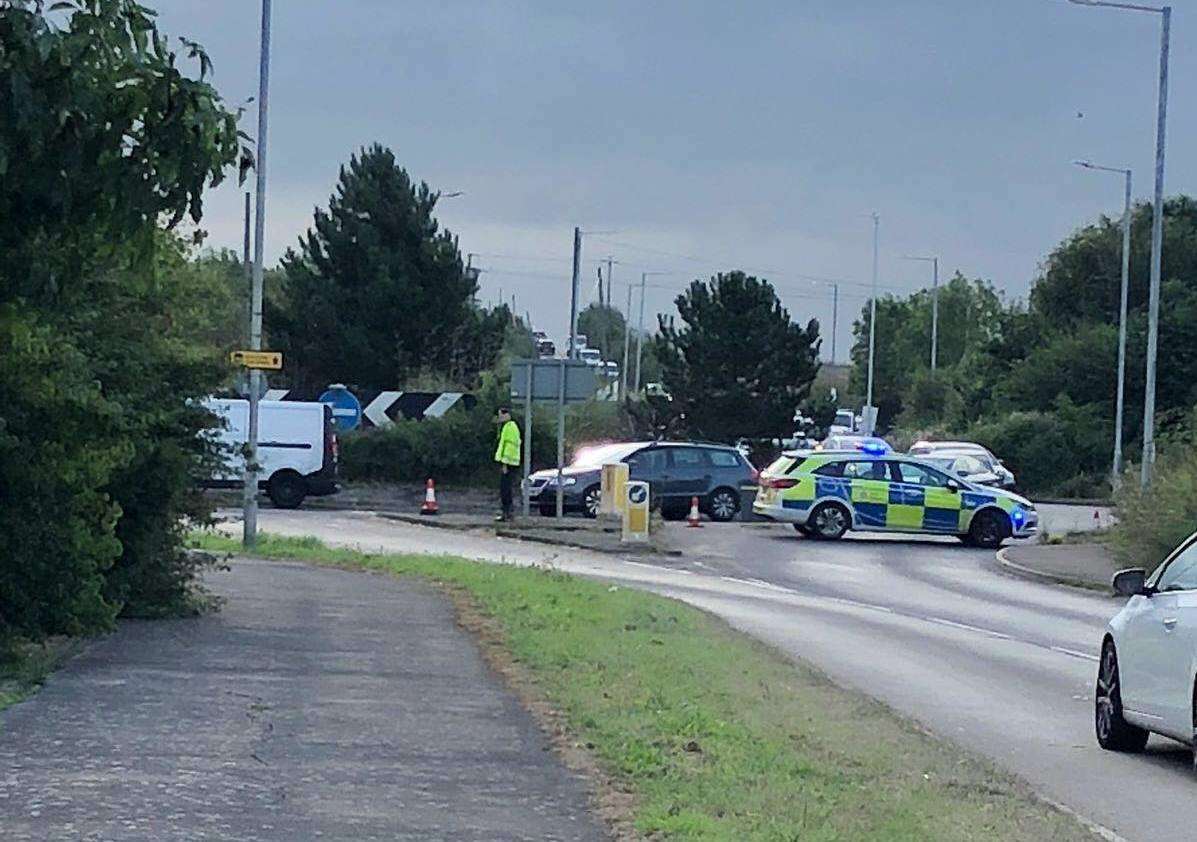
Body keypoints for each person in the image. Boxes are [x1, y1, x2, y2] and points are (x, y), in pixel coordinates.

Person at [493, 407, 522, 521]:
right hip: (511, 462)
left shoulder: (509, 427)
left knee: (505, 490)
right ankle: (507, 513)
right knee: (506, 489)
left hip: (508, 463)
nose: (499, 418)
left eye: (501, 415)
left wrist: (504, 463)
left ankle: (507, 513)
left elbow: (508, 447)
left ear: (507, 415)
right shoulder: (510, 426)